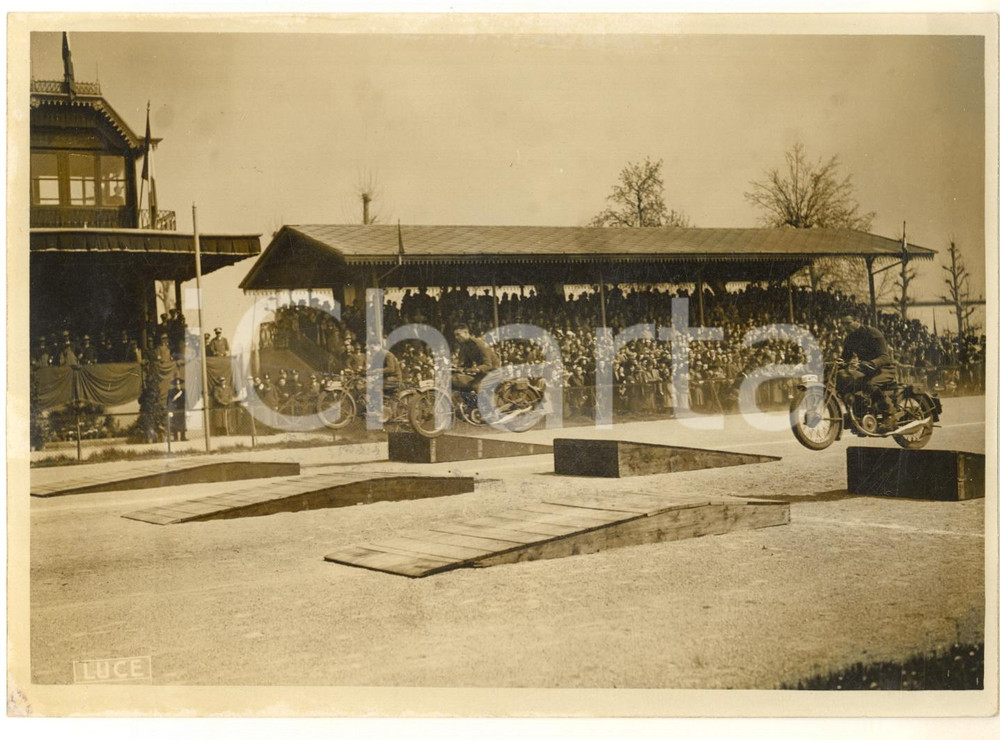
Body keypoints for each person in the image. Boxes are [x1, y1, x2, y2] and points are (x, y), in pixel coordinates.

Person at [838, 313, 898, 419]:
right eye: (843, 324)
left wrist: (872, 363)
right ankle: (857, 413)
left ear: (858, 320)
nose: (845, 327)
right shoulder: (849, 339)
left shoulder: (873, 333)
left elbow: (885, 357)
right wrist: (839, 362)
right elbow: (845, 358)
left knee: (870, 384)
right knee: (846, 381)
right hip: (867, 370)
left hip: (885, 369)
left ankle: (890, 414)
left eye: (848, 323)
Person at [452, 323, 500, 396]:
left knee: (476, 386)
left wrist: (476, 369)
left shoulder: (479, 344)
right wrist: (457, 368)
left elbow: (488, 365)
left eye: (458, 334)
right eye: (455, 335)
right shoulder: (465, 346)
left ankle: (488, 406)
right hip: (482, 372)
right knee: (463, 384)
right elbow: (468, 364)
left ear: (465, 333)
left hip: (493, 371)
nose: (456, 337)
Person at [166, 377, 187, 442]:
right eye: (176, 384)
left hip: (182, 409)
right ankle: (175, 437)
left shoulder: (183, 391)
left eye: (179, 384)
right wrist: (170, 410)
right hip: (175, 409)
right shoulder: (171, 392)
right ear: (175, 385)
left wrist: (187, 410)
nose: (178, 385)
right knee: (175, 423)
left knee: (182, 423)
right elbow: (169, 401)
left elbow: (186, 401)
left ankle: (183, 437)